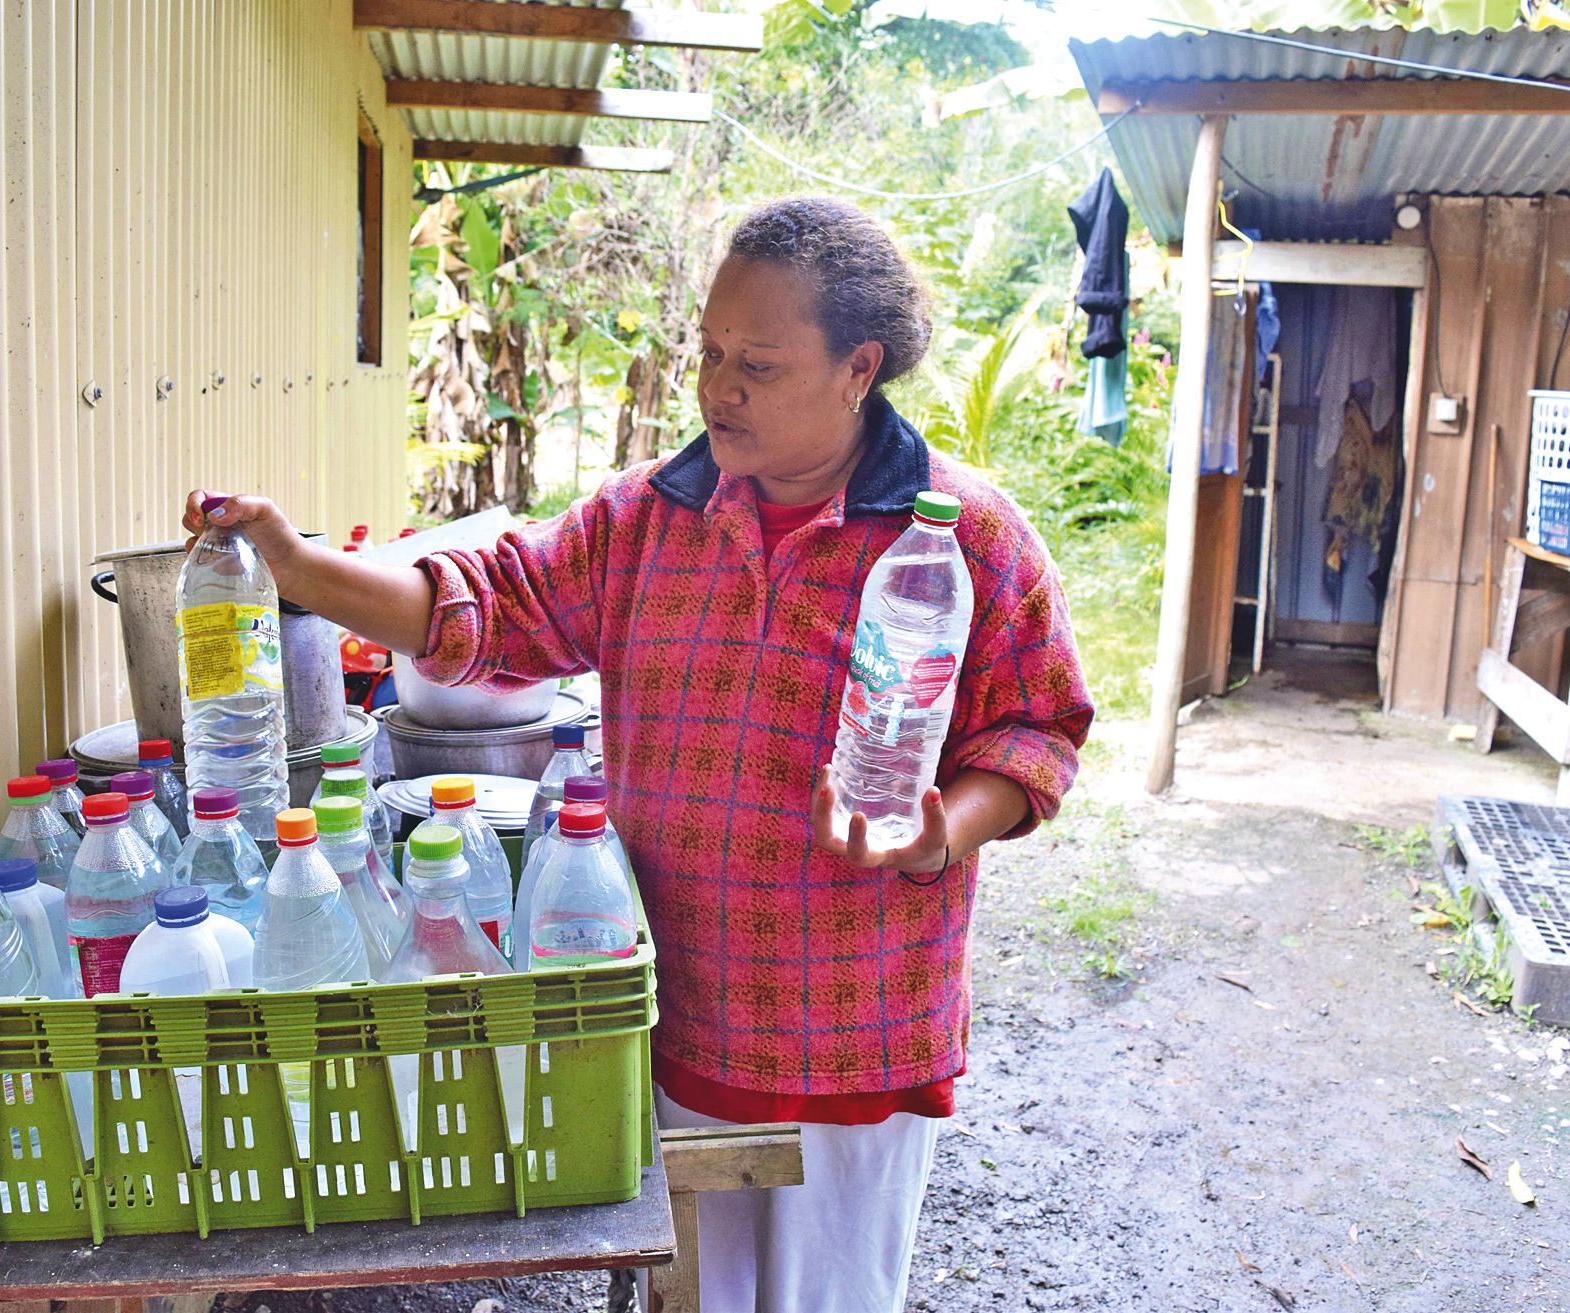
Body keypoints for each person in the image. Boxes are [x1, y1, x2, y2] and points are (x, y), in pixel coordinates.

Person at [182, 196, 1091, 1312]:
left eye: (756, 363)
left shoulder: (962, 535)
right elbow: (484, 603)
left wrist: (936, 834)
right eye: (709, 352)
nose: (717, 387)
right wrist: (298, 565)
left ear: (859, 369)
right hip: (676, 1007)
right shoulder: (645, 519)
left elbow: (1037, 722)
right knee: (690, 1295)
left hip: (856, 1027)